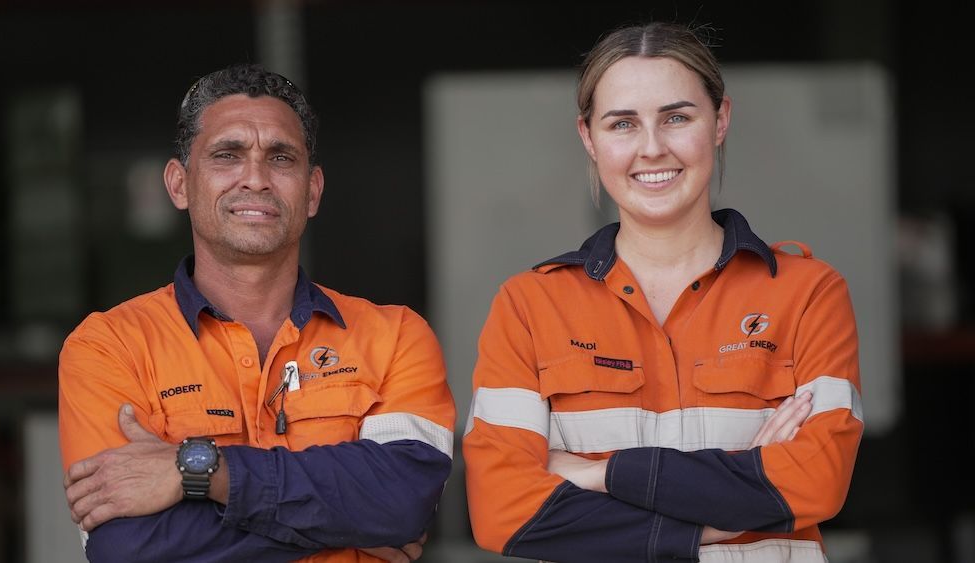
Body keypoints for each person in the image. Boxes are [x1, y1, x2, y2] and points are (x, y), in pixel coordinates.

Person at [463, 22, 863, 562]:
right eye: (622, 124)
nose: (652, 148)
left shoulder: (807, 293)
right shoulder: (529, 306)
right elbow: (501, 511)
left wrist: (598, 471)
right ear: (588, 137)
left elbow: (816, 483)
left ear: (720, 121)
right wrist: (722, 514)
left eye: (677, 117)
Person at [58, 63, 456, 563]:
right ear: (179, 185)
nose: (256, 178)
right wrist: (346, 525)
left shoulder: (395, 336)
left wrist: (201, 471)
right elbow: (127, 546)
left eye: (281, 158)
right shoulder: (108, 346)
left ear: (312, 191)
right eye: (227, 155)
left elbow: (402, 506)